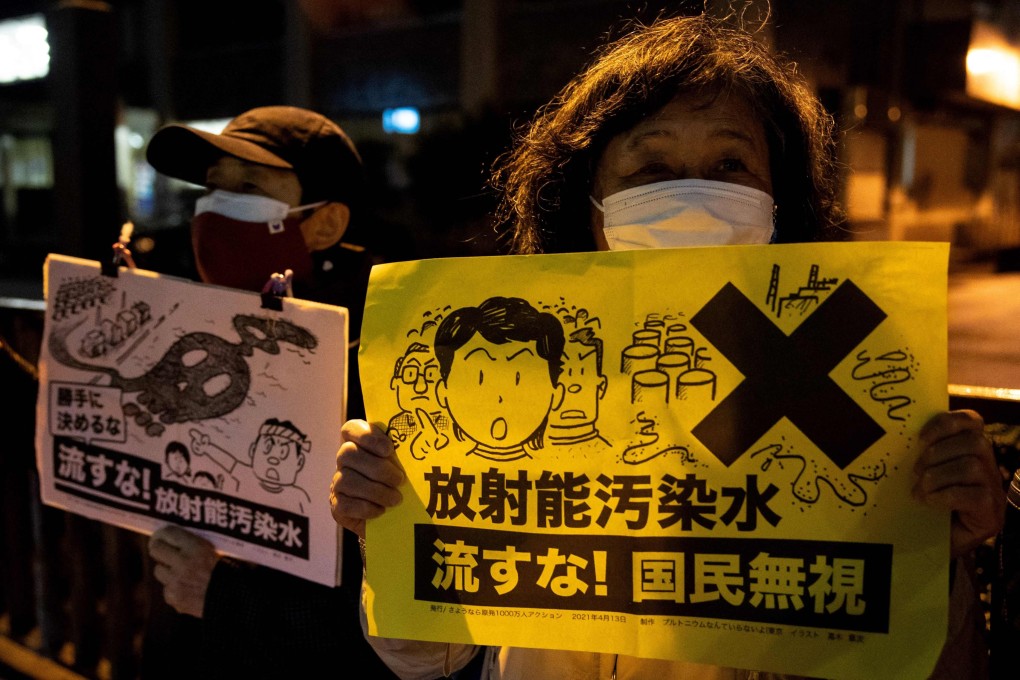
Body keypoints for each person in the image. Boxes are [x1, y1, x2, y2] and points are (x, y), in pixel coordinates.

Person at [329, 13, 1005, 680]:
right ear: (586, 203)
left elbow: (924, 669)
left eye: (730, 162)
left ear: (780, 199)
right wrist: (393, 528)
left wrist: (935, 559)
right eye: (650, 166)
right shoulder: (526, 375)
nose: (692, 194)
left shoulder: (856, 387)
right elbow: (424, 659)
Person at [138, 105, 399, 679]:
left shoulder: (386, 366)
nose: (213, 209)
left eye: (249, 186)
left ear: (325, 224)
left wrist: (224, 598)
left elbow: (396, 615)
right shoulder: (196, 328)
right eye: (212, 188)